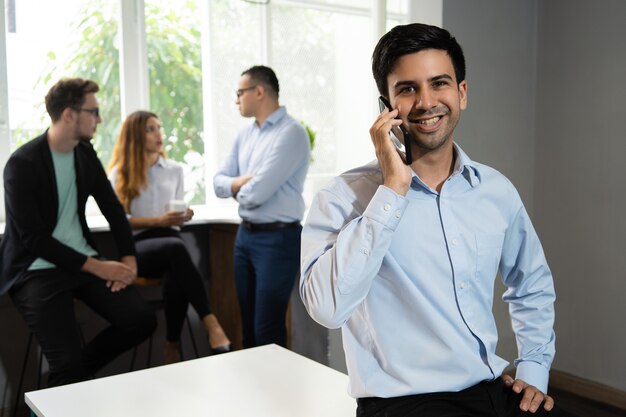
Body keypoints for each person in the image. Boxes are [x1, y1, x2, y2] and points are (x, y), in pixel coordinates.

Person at [300, 23, 577, 417]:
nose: (427, 101)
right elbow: (326, 309)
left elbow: (531, 283)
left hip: (492, 390)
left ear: (462, 93)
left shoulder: (495, 191)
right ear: (387, 107)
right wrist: (392, 190)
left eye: (439, 83)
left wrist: (533, 368)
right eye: (408, 89)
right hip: (401, 404)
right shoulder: (343, 198)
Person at [0, 78, 156, 387]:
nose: (99, 119)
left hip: (81, 262)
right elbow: (35, 239)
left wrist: (128, 259)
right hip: (36, 269)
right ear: (69, 114)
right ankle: (67, 380)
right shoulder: (21, 164)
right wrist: (100, 267)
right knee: (67, 363)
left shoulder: (84, 153)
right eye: (93, 111)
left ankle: (66, 381)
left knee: (141, 320)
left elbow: (113, 208)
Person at [107, 110, 231, 363]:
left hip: (171, 242)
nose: (158, 134)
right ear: (134, 136)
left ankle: (172, 346)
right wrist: (157, 221)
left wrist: (183, 214)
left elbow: (174, 210)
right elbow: (120, 223)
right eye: (150, 129)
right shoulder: (119, 174)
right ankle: (210, 322)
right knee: (176, 250)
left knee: (176, 269)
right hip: (138, 248)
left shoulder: (174, 170)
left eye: (159, 128)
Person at [213, 65, 310, 348]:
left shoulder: (291, 133)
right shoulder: (244, 136)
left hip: (278, 240)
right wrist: (239, 184)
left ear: (259, 91)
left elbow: (256, 194)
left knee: (267, 328)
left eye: (239, 92)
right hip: (245, 237)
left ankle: (276, 391)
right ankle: (252, 391)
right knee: (248, 326)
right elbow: (218, 182)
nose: (236, 99)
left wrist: (235, 187)